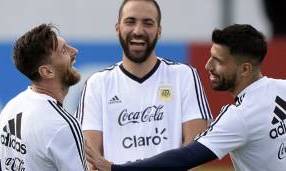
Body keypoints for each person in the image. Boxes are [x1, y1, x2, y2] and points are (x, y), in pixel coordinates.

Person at [85, 24, 286, 171]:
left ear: (245, 69)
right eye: (210, 56)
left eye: (218, 61)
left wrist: (115, 169)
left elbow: (184, 158)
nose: (207, 66)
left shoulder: (239, 116)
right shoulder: (283, 87)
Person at [76, 0, 212, 169]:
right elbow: (90, 160)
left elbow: (195, 156)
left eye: (148, 23)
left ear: (159, 31)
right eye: (130, 21)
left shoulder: (184, 76)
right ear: (118, 28)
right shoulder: (97, 84)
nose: (138, 31)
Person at [0, 24, 87, 171]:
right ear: (47, 71)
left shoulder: (11, 107)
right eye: (64, 50)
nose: (74, 51)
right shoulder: (62, 125)